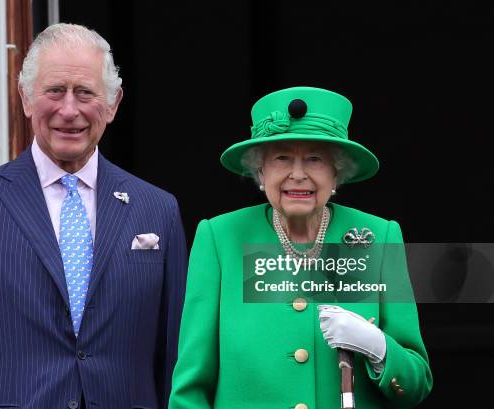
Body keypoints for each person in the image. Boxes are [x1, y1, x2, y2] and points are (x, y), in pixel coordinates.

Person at [0, 23, 187, 409]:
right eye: (55, 91)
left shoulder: (159, 210)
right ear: (26, 98)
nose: (69, 109)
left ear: (113, 104)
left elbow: (175, 359)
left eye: (85, 93)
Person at [168, 87, 432, 408]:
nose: (298, 174)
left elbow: (416, 383)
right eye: (282, 157)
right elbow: (191, 388)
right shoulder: (220, 238)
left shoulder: (377, 236)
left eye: (315, 159)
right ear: (260, 171)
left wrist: (380, 349)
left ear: (337, 171)